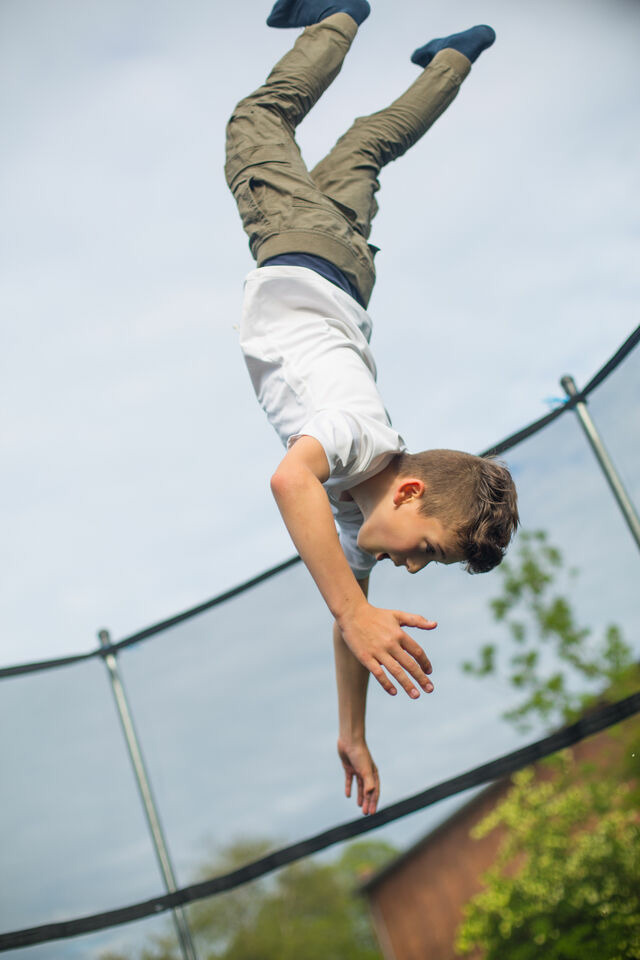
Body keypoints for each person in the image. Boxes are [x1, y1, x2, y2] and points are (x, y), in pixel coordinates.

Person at [225, 0, 519, 815]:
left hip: (348, 268)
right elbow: (290, 484)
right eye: (426, 549)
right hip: (301, 249)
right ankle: (340, 18)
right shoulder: (355, 441)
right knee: (257, 119)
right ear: (413, 491)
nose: (414, 566)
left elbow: (348, 616)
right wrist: (355, 612)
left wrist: (353, 729)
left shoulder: (360, 514)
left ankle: (456, 57)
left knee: (366, 145)